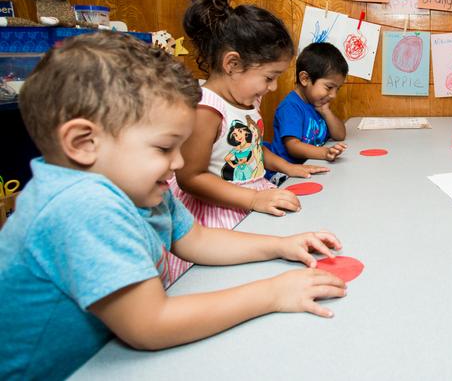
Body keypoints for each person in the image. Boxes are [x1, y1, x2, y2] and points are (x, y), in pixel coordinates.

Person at [0, 32, 347, 380]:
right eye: (164, 148)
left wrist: (280, 245)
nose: (179, 163)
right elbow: (150, 324)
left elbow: (195, 239)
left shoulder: (138, 185)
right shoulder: (81, 204)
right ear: (83, 142)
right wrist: (273, 293)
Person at [169, 0, 333, 276]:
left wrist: (287, 168)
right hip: (219, 211)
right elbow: (190, 178)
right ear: (232, 64)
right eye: (269, 77)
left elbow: (253, 149)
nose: (272, 88)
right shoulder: (206, 109)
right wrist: (253, 199)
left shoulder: (248, 100)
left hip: (253, 196)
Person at [269, 42, 348, 171]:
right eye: (329, 87)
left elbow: (340, 135)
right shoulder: (290, 107)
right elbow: (293, 146)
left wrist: (326, 112)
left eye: (337, 89)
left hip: (312, 166)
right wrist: (324, 153)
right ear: (305, 78)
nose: (333, 95)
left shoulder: (318, 103)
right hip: (286, 174)